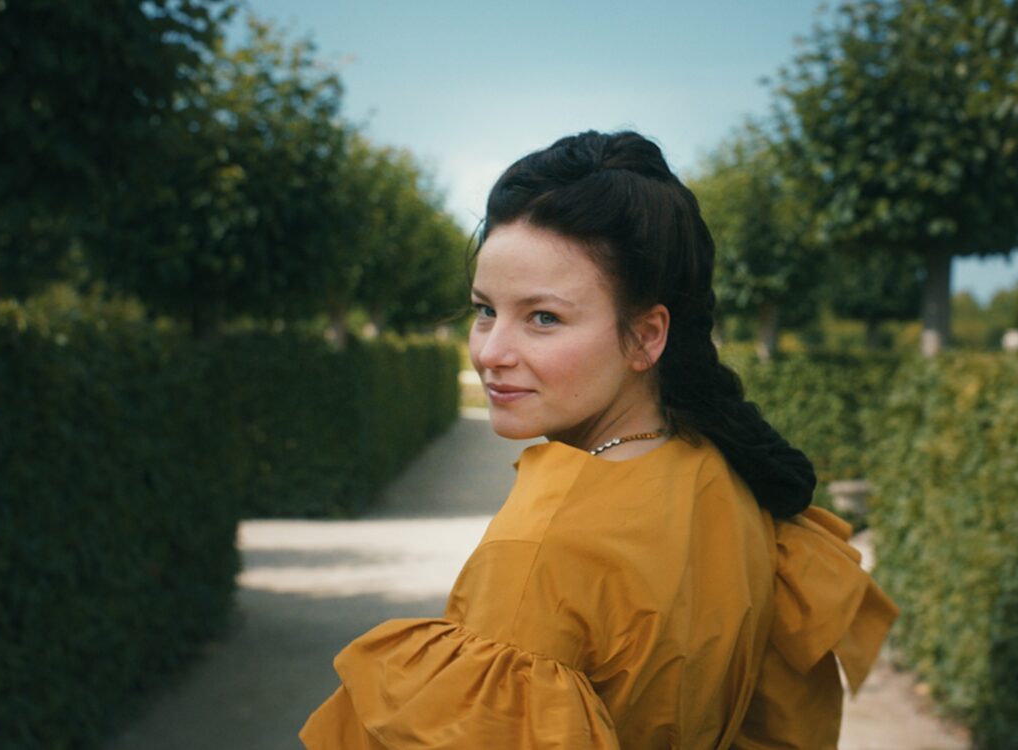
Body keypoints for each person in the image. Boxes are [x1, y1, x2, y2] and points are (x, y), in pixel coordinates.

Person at [300, 131, 898, 749]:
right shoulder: (726, 472)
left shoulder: (542, 548)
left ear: (646, 336)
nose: (491, 351)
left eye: (544, 317)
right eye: (485, 310)